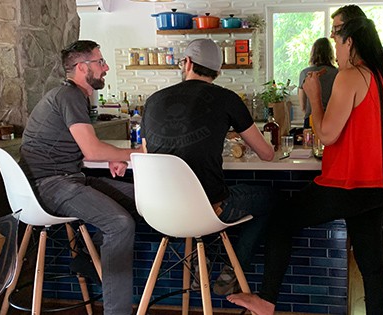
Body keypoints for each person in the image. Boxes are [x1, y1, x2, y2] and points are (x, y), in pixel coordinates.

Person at [228, 17, 383, 315]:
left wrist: (315, 98)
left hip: (344, 184)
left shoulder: (351, 75)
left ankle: (267, 300)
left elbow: (327, 134)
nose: (333, 42)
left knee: (281, 219)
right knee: (371, 264)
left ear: (350, 41)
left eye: (336, 35)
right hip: (378, 186)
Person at [140, 38, 276, 295]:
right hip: (210, 210)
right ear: (218, 71)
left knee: (201, 201)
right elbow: (267, 154)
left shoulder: (153, 100)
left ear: (188, 63)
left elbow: (147, 154)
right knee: (269, 198)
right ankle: (231, 270)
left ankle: (196, 265)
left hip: (159, 213)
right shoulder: (227, 99)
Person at [19, 40, 144, 315]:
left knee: (144, 200)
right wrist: (133, 153)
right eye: (100, 62)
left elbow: (84, 148)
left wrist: (112, 154)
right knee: (120, 224)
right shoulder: (70, 96)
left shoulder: (71, 96)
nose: (106, 67)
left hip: (67, 179)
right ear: (81, 67)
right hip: (50, 186)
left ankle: (90, 257)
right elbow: (91, 149)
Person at [332, 5, 383, 312]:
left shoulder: (365, 66)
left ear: (351, 32)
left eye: (338, 30)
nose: (335, 37)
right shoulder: (375, 60)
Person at [298, 38, 338, 128]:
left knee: (311, 142)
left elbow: (302, 106)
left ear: (313, 53)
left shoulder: (305, 73)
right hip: (332, 118)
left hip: (311, 118)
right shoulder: (338, 73)